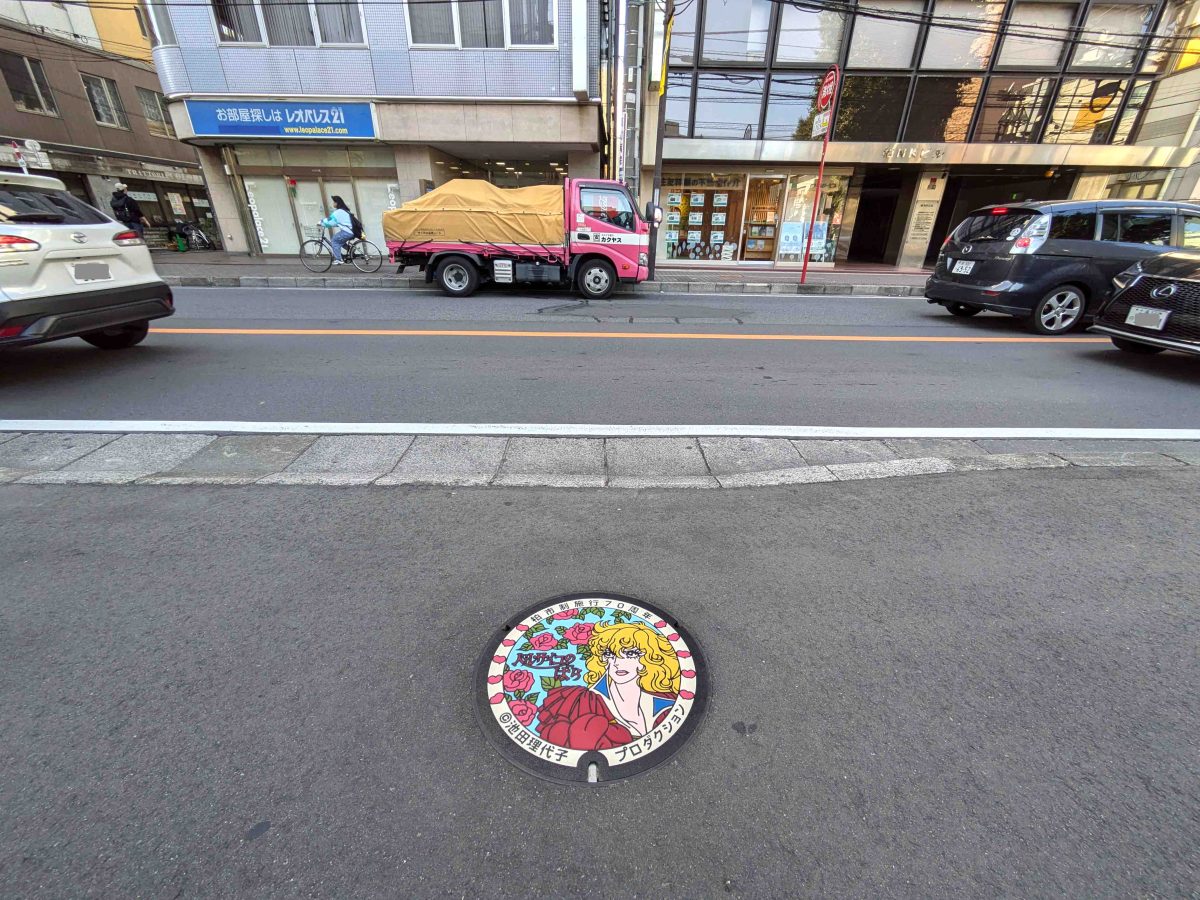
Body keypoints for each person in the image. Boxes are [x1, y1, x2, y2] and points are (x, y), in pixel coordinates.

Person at [536, 621, 680, 751]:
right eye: (610, 655)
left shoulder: (666, 702)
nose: (617, 662)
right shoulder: (582, 701)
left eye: (630, 654)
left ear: (650, 658)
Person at [320, 196, 356, 265]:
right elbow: (337, 222)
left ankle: (338, 259)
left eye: (334, 202)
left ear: (337, 203)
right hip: (351, 231)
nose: (333, 203)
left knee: (334, 240)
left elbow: (329, 220)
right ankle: (350, 249)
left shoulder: (338, 212)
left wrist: (321, 223)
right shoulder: (345, 210)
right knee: (340, 241)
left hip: (347, 232)